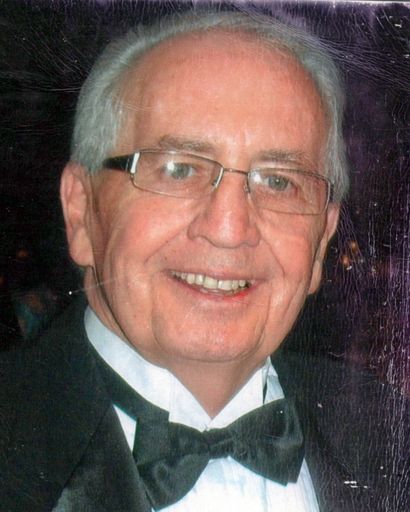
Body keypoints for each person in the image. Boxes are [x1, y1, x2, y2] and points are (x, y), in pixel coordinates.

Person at [1, 9, 408, 512]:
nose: (229, 230)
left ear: (322, 238)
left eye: (279, 181)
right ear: (81, 211)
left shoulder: (393, 435)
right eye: (179, 169)